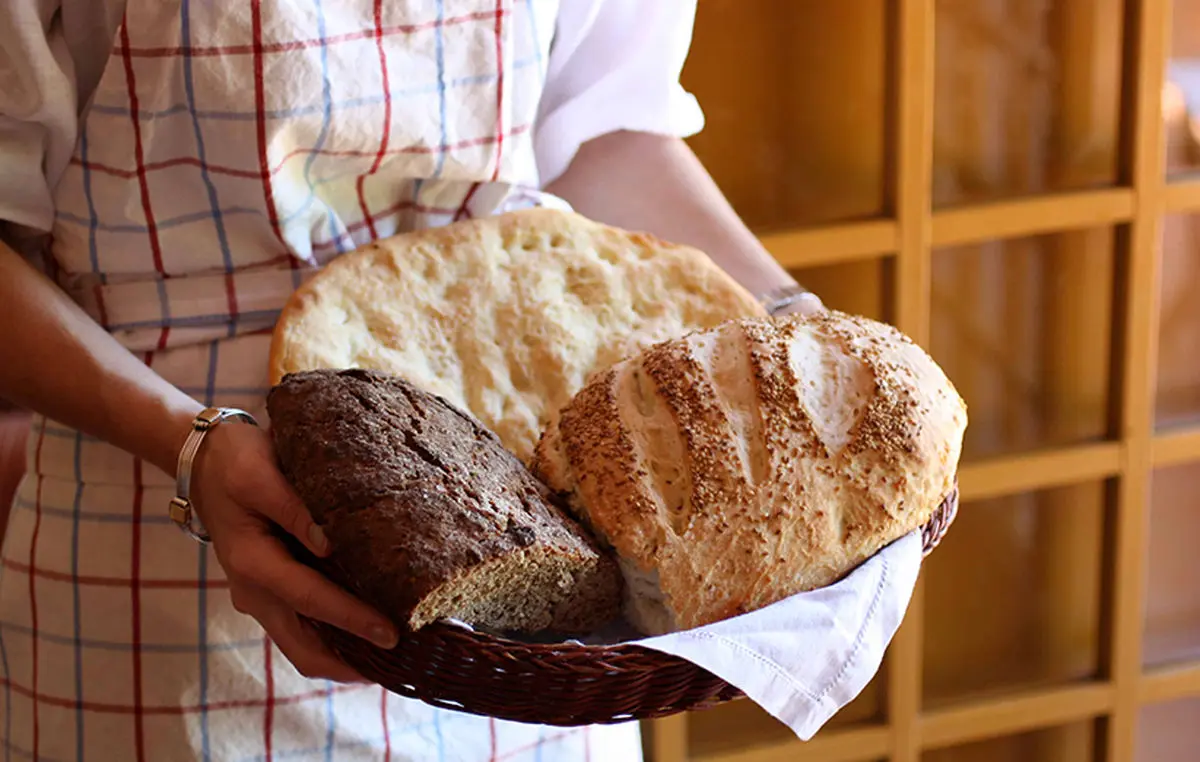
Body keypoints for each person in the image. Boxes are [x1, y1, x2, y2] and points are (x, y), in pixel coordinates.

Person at [0, 1, 822, 759]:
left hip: (530, 551)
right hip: (171, 556)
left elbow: (602, 132)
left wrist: (803, 333)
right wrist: (184, 444)